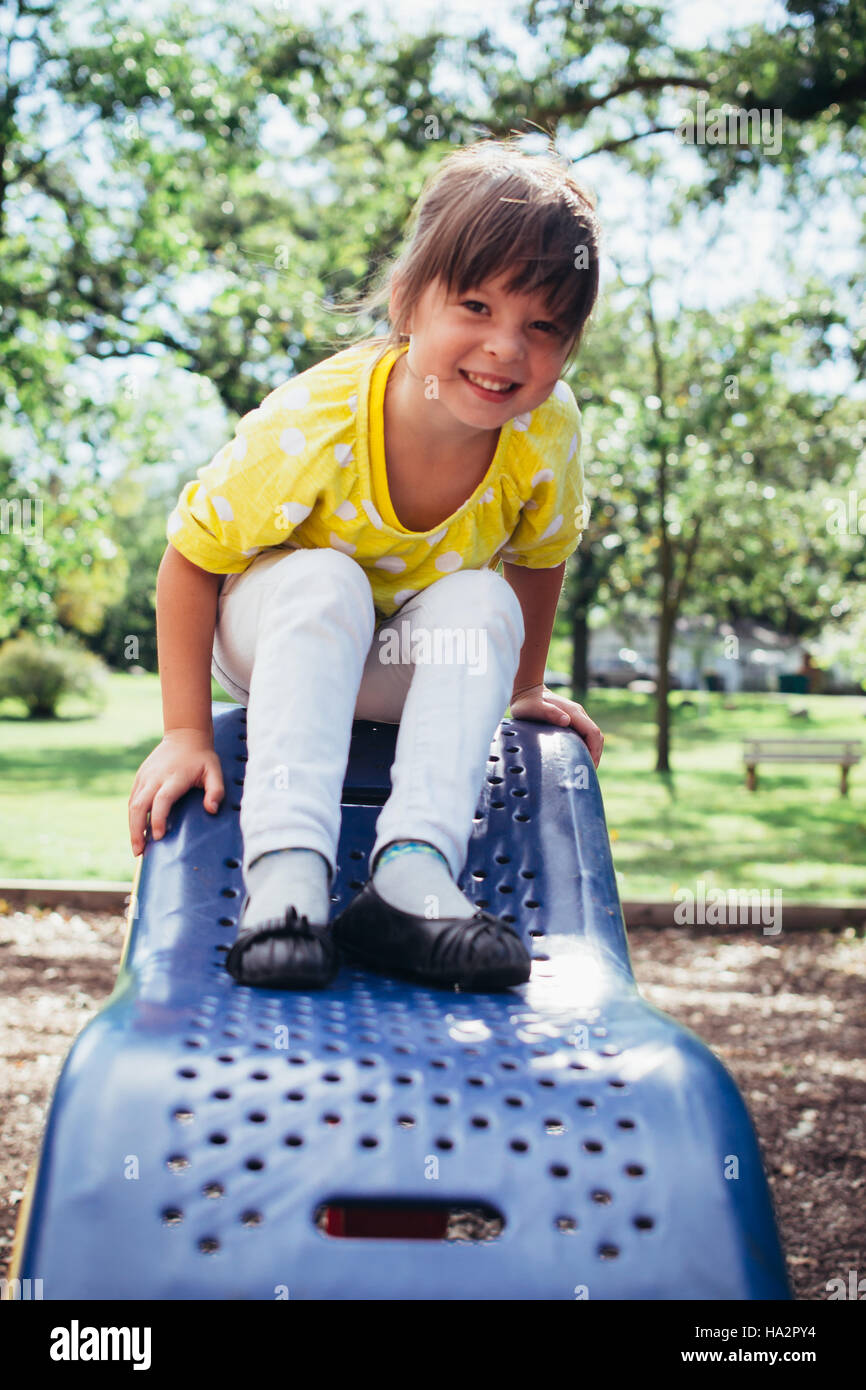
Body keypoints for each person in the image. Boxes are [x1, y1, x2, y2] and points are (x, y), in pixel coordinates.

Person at [128, 138, 604, 993]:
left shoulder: (547, 431)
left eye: (542, 326)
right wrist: (185, 732)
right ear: (408, 302)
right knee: (325, 578)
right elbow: (192, 560)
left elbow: (539, 560)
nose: (506, 348)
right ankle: (285, 876)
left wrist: (524, 686)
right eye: (476, 306)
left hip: (399, 660)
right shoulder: (317, 418)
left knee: (480, 601)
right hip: (278, 632)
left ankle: (410, 877)